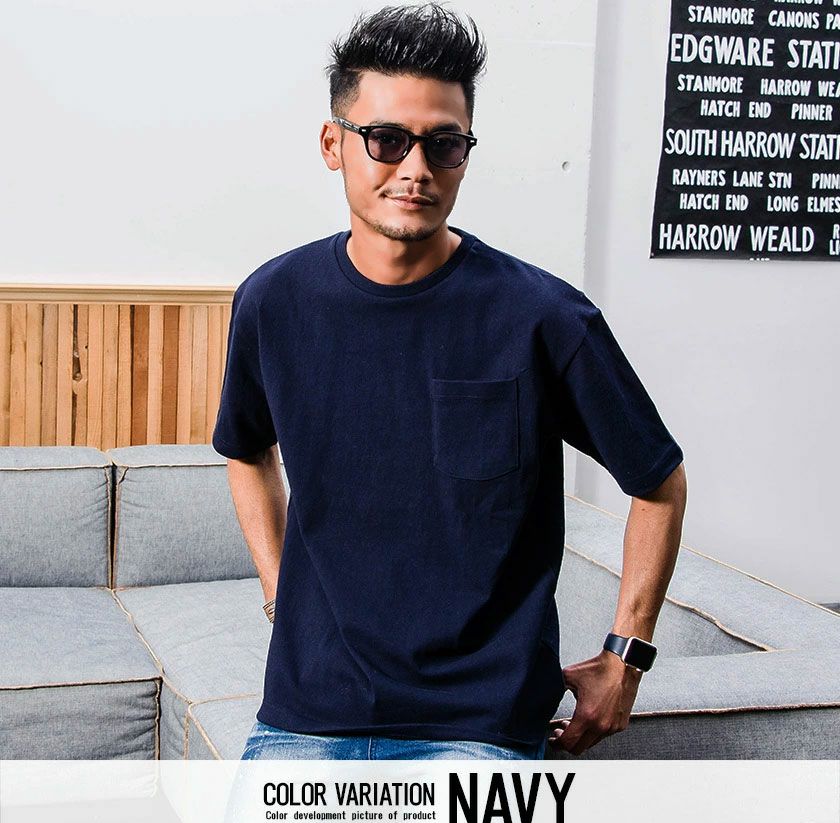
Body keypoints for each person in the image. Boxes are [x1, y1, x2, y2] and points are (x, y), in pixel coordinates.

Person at [212, 2, 687, 762]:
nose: (416, 169)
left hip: (480, 726)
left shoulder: (543, 317)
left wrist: (625, 658)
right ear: (334, 144)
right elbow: (245, 448)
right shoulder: (273, 301)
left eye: (444, 145)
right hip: (308, 714)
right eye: (386, 139)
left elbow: (659, 482)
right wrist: (280, 593)